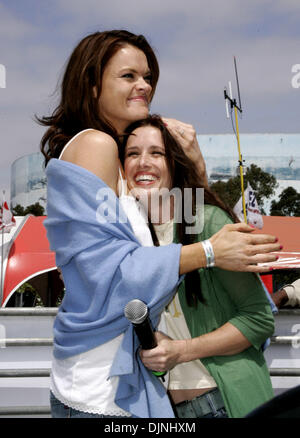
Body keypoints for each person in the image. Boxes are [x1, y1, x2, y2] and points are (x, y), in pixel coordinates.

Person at [38, 30, 280, 418]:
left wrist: (196, 174)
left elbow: (178, 218)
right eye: (129, 76)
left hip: (110, 383)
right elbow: (111, 272)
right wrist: (210, 252)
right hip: (99, 391)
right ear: (92, 82)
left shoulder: (115, 162)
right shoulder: (96, 146)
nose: (145, 86)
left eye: (148, 76)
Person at [122, 115, 275, 418]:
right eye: (132, 153)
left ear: (175, 162)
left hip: (223, 401)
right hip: (164, 411)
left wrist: (181, 351)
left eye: (156, 153)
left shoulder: (209, 222)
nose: (143, 162)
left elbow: (259, 320)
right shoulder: (128, 237)